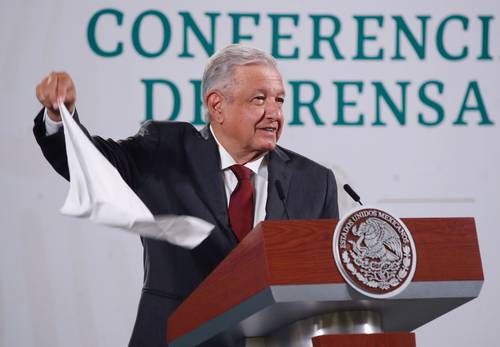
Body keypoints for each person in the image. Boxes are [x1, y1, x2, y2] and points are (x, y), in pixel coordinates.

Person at [33, 44, 339, 347]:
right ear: (217, 105)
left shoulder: (313, 181)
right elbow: (93, 166)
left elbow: (328, 291)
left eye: (280, 100)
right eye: (259, 99)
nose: (274, 113)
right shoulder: (166, 150)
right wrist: (60, 118)